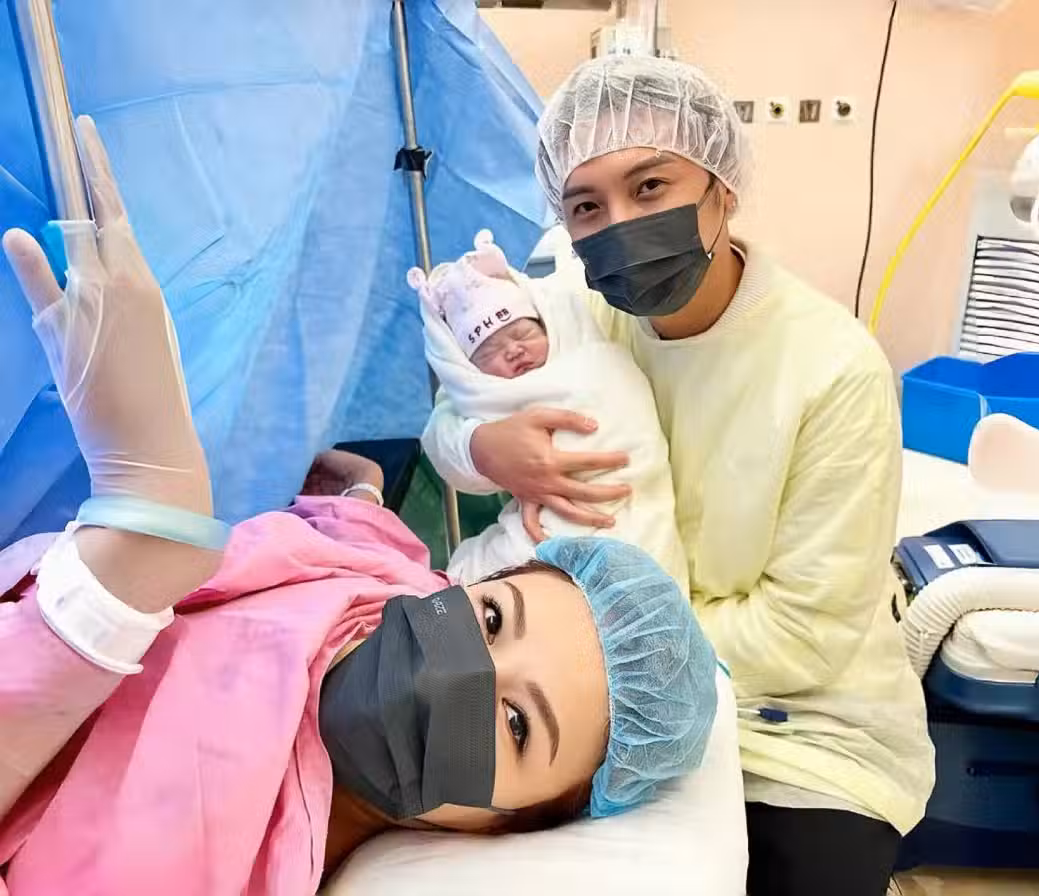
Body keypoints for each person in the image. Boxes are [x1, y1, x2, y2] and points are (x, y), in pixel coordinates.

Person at [0, 116, 718, 896]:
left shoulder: (215, 856)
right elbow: (387, 559)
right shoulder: (393, 593)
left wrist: (121, 575)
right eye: (490, 619)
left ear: (507, 826)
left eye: (515, 724)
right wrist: (361, 494)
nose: (459, 673)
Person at [423, 55, 936, 896]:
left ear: (722, 187)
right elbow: (456, 412)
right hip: (590, 698)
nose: (619, 223)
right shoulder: (582, 317)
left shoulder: (832, 369)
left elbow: (803, 634)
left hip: (795, 728)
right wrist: (484, 449)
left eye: (651, 186)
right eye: (587, 206)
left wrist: (602, 654)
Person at [411, 229, 687, 591]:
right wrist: (478, 445)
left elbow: (620, 412)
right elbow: (443, 424)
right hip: (542, 524)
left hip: (628, 506)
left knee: (488, 573)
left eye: (522, 334)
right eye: (489, 350)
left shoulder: (581, 339)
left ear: (545, 324)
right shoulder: (483, 389)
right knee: (491, 566)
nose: (513, 351)